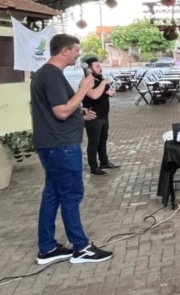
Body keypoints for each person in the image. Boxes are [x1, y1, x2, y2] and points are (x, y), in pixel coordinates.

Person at [31, 34, 113, 265]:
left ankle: (47, 248)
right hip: (61, 146)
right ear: (64, 51)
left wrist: (80, 112)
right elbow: (61, 111)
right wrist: (84, 89)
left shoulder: (45, 74)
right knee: (71, 194)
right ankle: (81, 247)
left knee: (53, 194)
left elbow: (60, 108)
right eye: (76, 50)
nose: (79, 54)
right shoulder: (52, 75)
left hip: (52, 144)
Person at [81, 57, 119, 176]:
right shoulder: (86, 80)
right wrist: (103, 84)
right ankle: (94, 167)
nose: (100, 68)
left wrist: (109, 93)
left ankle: (104, 162)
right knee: (94, 142)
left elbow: (104, 92)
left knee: (103, 140)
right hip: (93, 117)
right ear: (89, 69)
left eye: (100, 66)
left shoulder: (99, 78)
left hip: (103, 116)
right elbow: (94, 95)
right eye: (97, 66)